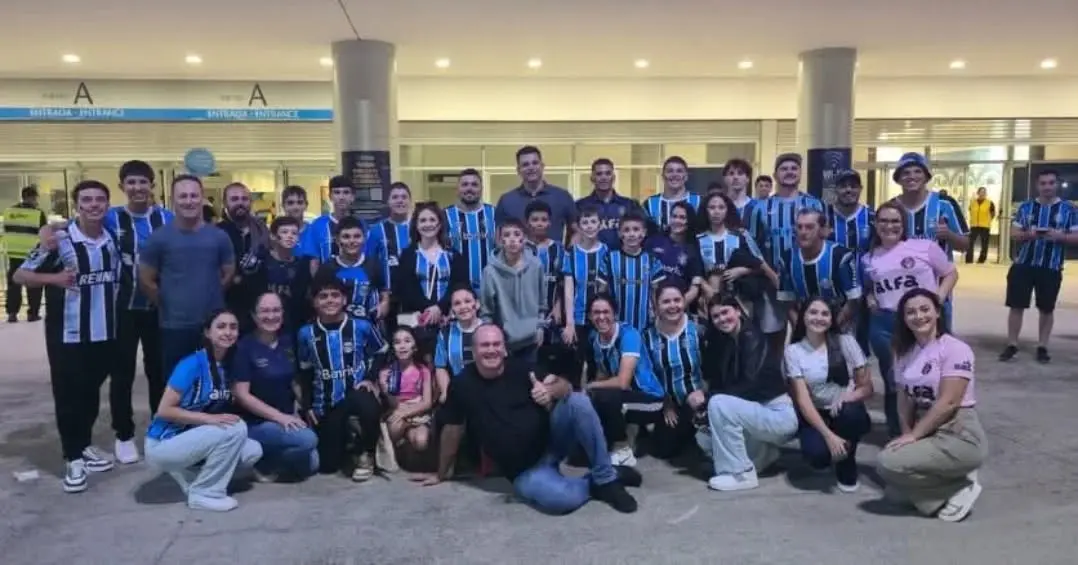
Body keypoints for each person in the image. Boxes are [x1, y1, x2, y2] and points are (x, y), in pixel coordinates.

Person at [414, 324, 641, 515]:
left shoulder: (522, 368)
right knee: (563, 500)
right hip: (524, 471)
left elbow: (566, 387)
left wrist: (551, 391)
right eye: (485, 345)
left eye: (496, 344)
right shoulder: (462, 385)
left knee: (578, 402)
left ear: (504, 348)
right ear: (473, 351)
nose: (491, 350)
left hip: (552, 444)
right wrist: (442, 472)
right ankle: (598, 481)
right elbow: (453, 429)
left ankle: (606, 479)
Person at [14, 180, 122, 492]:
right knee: (68, 396)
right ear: (77, 205)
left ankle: (84, 444)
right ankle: (72, 458)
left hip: (105, 332)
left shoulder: (110, 237)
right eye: (86, 200)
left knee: (90, 393)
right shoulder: (58, 241)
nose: (94, 205)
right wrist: (55, 278)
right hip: (68, 335)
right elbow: (21, 275)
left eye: (99, 200)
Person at [876, 288, 986, 523]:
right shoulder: (903, 351)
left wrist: (915, 435)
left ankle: (959, 486)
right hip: (927, 427)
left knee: (887, 464)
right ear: (904, 319)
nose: (919, 316)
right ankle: (953, 482)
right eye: (911, 312)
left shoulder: (955, 348)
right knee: (894, 492)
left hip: (958, 429)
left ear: (938, 312)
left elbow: (949, 402)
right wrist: (907, 435)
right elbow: (903, 397)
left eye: (925, 309)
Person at [144, 309, 263, 511]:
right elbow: (163, 410)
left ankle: (189, 474)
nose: (228, 332)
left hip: (192, 438)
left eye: (233, 327)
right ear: (208, 332)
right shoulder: (191, 364)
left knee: (252, 451)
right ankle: (205, 493)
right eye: (221, 326)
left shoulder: (229, 364)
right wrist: (209, 419)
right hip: (163, 443)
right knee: (235, 427)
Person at [98, 160, 174, 464]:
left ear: (152, 186)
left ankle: (159, 430)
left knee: (159, 372)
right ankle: (124, 434)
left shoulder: (167, 219)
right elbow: (74, 228)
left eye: (143, 182)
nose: (138, 188)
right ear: (122, 187)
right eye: (131, 182)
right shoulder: (109, 218)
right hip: (123, 309)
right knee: (122, 374)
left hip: (158, 309)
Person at [862, 201, 958, 436]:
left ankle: (937, 429)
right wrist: (870, 298)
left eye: (895, 221)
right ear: (875, 224)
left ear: (904, 224)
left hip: (923, 321)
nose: (889, 226)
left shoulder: (924, 247)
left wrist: (937, 298)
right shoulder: (868, 258)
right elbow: (868, 288)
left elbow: (950, 273)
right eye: (883, 220)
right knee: (895, 380)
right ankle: (898, 432)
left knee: (933, 376)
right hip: (886, 324)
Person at [139, 175, 235, 379]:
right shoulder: (159, 238)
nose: (189, 201)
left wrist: (210, 294)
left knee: (215, 382)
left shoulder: (219, 236)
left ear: (202, 198)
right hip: (174, 327)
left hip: (213, 327)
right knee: (178, 384)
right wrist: (169, 302)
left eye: (194, 195)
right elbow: (146, 280)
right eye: (183, 196)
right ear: (173, 200)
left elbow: (228, 273)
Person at [702, 295, 797, 492]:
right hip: (759, 411)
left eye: (725, 312)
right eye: (716, 316)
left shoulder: (752, 336)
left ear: (737, 311)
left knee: (718, 404)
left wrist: (708, 400)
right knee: (703, 436)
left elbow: (749, 385)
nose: (722, 319)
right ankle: (763, 456)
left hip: (778, 413)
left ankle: (741, 473)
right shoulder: (729, 342)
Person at [297, 275, 387, 481]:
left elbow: (382, 350)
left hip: (356, 392)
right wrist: (308, 405)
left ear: (344, 300)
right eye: (323, 296)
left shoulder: (361, 326)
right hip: (327, 401)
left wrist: (371, 378)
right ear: (314, 302)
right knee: (328, 466)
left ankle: (366, 454)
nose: (330, 300)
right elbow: (305, 371)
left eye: (335, 295)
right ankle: (348, 440)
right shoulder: (305, 333)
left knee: (368, 405)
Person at [785, 298, 873, 492]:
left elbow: (867, 387)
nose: (819, 318)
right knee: (818, 457)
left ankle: (847, 460)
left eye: (825, 314)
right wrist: (828, 435)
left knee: (851, 415)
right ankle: (832, 446)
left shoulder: (846, 342)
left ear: (832, 319)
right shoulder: (794, 351)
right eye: (813, 312)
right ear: (804, 316)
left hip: (844, 410)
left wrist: (845, 398)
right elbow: (803, 401)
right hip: (816, 413)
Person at [231, 292, 318, 482]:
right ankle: (259, 460)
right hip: (256, 423)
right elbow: (241, 394)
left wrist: (304, 408)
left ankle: (266, 460)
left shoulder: (288, 341)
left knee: (313, 462)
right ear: (254, 315)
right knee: (307, 441)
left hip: (286, 418)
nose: (271, 316)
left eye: (276, 310)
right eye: (265, 311)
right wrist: (280, 417)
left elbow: (294, 381)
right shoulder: (244, 347)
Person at [999, 169, 1078, 364]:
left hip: (1050, 267)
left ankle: (1042, 345)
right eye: (1043, 183)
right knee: (1016, 306)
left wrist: (1060, 237)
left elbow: (1076, 237)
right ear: (1037, 185)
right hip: (1023, 265)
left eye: (1051, 183)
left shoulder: (1069, 210)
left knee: (1046, 308)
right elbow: (1013, 233)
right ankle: (1012, 344)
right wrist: (1029, 235)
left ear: (1057, 184)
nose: (1047, 187)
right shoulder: (1026, 208)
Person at [585, 294, 666, 467]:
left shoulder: (628, 335)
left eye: (606, 312)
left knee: (606, 398)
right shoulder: (595, 338)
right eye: (596, 312)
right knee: (592, 399)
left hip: (651, 399)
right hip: (627, 398)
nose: (601, 317)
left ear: (614, 314)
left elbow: (623, 382)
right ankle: (612, 442)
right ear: (590, 316)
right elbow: (602, 373)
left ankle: (623, 450)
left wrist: (589, 386)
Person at [889, 152, 968, 327]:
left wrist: (949, 235)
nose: (912, 176)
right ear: (898, 178)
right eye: (906, 172)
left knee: (939, 343)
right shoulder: (892, 207)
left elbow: (965, 245)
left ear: (926, 176)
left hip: (938, 290)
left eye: (917, 171)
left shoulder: (945, 204)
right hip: (901, 290)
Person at [761, 154, 823, 348]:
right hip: (772, 283)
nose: (789, 172)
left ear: (800, 173)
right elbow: (753, 246)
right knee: (773, 339)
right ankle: (776, 378)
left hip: (806, 281)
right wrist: (771, 275)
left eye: (794, 168)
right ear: (775, 174)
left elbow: (822, 242)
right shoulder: (761, 207)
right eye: (784, 168)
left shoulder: (814, 204)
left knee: (809, 331)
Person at [643, 283, 706, 459]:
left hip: (698, 399)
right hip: (669, 403)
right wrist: (665, 403)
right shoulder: (648, 336)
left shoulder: (699, 329)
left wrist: (706, 394)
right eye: (666, 301)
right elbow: (649, 376)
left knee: (701, 451)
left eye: (677, 300)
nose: (673, 306)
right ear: (657, 305)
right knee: (664, 451)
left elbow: (714, 366)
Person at [396, 202, 469, 354]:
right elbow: (405, 289)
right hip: (417, 323)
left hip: (448, 319)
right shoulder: (408, 255)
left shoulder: (453, 255)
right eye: (422, 220)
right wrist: (429, 311)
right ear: (415, 225)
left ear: (440, 224)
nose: (427, 224)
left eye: (432, 220)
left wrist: (440, 308)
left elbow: (460, 286)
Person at [776, 209, 862, 331]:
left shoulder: (840, 256)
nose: (803, 232)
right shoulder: (786, 258)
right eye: (799, 227)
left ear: (822, 230)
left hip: (840, 327)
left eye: (809, 227)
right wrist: (802, 330)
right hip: (804, 328)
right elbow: (787, 302)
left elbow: (853, 300)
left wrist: (830, 330)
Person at [480, 218, 547, 364]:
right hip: (503, 342)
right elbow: (487, 312)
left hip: (531, 338)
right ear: (500, 240)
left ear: (525, 238)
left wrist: (540, 327)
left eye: (517, 234)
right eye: (507, 235)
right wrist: (493, 339)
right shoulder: (490, 271)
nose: (512, 240)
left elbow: (542, 302)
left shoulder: (536, 265)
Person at [693, 192, 772, 305]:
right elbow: (693, 272)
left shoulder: (740, 236)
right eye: (712, 207)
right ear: (705, 210)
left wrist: (741, 271)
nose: (716, 212)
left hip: (740, 298)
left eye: (721, 207)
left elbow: (759, 265)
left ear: (727, 210)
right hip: (706, 298)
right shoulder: (698, 239)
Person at [598, 211, 665, 330]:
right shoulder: (609, 258)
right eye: (626, 230)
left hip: (645, 325)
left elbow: (656, 293)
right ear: (619, 234)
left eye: (636, 229)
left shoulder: (652, 260)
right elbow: (601, 292)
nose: (631, 234)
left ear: (643, 233)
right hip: (616, 325)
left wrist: (658, 316)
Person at [495, 146, 577, 244]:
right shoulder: (506, 201)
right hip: (518, 258)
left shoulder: (562, 196)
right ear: (518, 170)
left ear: (542, 166)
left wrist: (568, 253)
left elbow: (576, 231)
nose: (531, 168)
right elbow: (498, 236)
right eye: (525, 164)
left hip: (555, 258)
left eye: (535, 163)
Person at [560, 205, 609, 364]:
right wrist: (569, 322)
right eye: (585, 222)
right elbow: (568, 289)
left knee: (598, 363)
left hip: (601, 317)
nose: (589, 226)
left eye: (593, 222)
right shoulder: (571, 253)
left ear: (600, 225)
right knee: (577, 362)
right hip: (578, 317)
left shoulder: (607, 252)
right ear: (579, 227)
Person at [315, 216, 388, 322]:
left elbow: (384, 293)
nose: (352, 241)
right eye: (346, 237)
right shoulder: (327, 268)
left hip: (369, 326)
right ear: (337, 240)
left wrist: (384, 305)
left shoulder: (374, 264)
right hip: (336, 328)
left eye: (357, 236)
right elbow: (317, 299)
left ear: (364, 238)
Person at [217, 182, 270, 327]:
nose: (240, 203)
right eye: (234, 199)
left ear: (250, 202)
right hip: (226, 308)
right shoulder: (216, 233)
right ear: (225, 203)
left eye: (244, 199)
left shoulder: (263, 230)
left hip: (259, 309)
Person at [249, 216, 311, 335]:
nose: (290, 236)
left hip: (293, 324)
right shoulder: (262, 261)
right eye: (284, 232)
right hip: (264, 323)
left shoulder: (302, 264)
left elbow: (302, 299)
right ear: (273, 236)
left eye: (294, 233)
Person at [378, 327, 434, 456]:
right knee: (394, 427)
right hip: (396, 409)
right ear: (392, 347)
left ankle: (408, 439)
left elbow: (427, 402)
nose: (402, 346)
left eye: (407, 341)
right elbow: (392, 404)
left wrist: (406, 412)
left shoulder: (423, 370)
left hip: (418, 412)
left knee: (421, 441)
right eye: (397, 342)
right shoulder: (387, 372)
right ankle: (398, 446)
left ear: (414, 346)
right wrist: (384, 387)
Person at [365, 182, 412, 321]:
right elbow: (369, 263)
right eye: (395, 197)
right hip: (385, 299)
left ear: (410, 201)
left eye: (404, 197)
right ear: (388, 201)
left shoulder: (418, 227)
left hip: (413, 298)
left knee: (411, 340)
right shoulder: (375, 230)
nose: (400, 200)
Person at [444, 169, 497, 294]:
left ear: (481, 188)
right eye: (465, 184)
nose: (469, 188)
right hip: (456, 292)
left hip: (491, 289)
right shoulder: (444, 216)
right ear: (457, 189)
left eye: (474, 184)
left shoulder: (495, 213)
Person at [298, 175, 365, 273]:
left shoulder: (362, 225)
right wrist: (318, 286)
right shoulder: (317, 225)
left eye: (346, 192)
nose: (341, 197)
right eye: (337, 192)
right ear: (330, 196)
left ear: (353, 197)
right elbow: (314, 261)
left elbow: (366, 258)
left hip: (357, 282)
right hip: (327, 285)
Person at [575, 158, 642, 249]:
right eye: (599, 174)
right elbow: (576, 235)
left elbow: (640, 232)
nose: (604, 177)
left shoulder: (629, 205)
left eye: (608, 173)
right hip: (593, 259)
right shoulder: (581, 205)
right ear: (592, 178)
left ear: (613, 177)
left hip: (621, 259)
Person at [524, 200, 565, 344]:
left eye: (544, 220)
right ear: (527, 223)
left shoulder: (559, 249)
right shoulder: (519, 249)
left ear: (550, 223)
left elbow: (563, 282)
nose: (540, 223)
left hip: (554, 314)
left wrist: (558, 306)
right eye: (535, 220)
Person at [4, 184, 47, 322]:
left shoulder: (9, 212)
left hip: (14, 253)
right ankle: (32, 313)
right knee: (33, 284)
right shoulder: (37, 213)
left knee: (14, 285)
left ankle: (12, 313)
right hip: (32, 255)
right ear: (33, 197)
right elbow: (44, 233)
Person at [433, 286, 482, 401]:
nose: (463, 307)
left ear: (477, 304)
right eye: (457, 303)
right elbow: (440, 367)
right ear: (452, 310)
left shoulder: (490, 330)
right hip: (458, 393)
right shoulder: (445, 333)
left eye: (467, 301)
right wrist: (446, 393)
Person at [645, 200, 701, 300]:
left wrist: (678, 306)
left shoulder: (693, 250)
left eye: (682, 217)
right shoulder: (653, 241)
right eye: (674, 216)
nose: (677, 221)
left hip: (676, 305)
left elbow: (694, 288)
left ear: (689, 221)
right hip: (649, 302)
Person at [643, 156, 701, 232]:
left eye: (679, 171)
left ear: (686, 176)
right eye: (670, 171)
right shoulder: (649, 204)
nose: (674, 175)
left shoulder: (698, 201)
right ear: (663, 176)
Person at [722, 158, 767, 252]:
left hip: (754, 261)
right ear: (725, 179)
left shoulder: (758, 207)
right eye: (731, 173)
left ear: (747, 179)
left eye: (740, 173)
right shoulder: (718, 206)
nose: (735, 177)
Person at [966, 186, 995, 264]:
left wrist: (987, 220)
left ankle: (981, 260)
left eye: (984, 192)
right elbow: (970, 211)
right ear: (978, 193)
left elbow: (992, 214)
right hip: (974, 225)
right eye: (981, 192)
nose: (983, 194)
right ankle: (969, 260)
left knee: (984, 244)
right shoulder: (972, 202)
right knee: (970, 243)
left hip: (985, 226)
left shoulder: (990, 203)